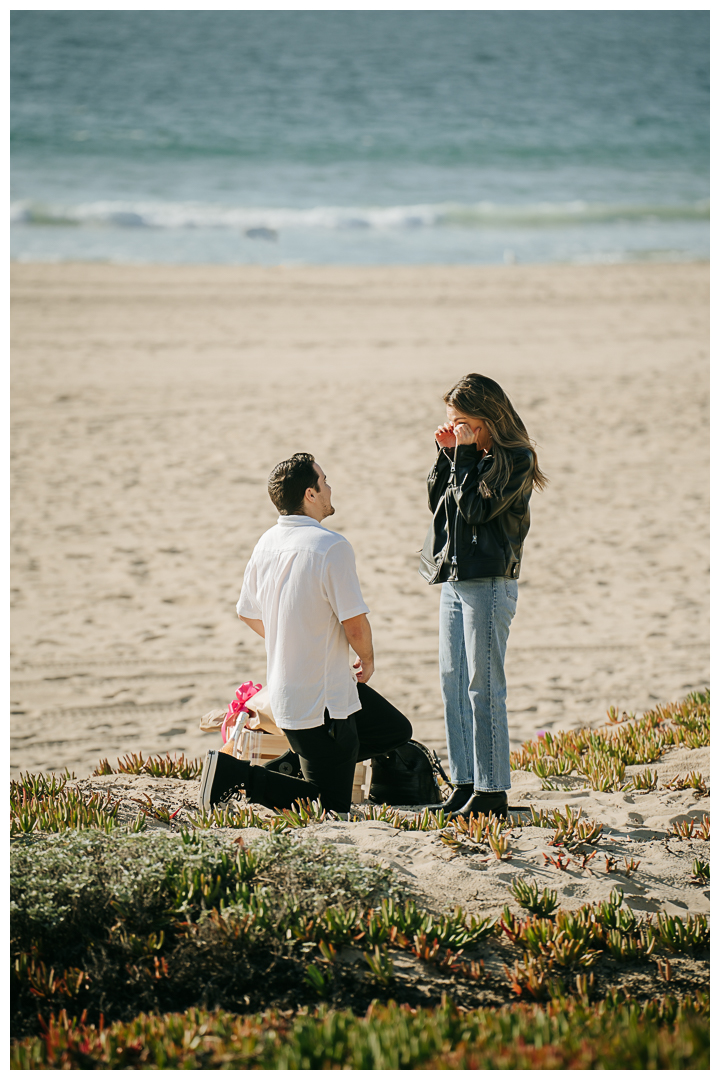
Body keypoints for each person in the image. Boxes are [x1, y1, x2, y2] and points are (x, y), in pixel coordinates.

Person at [200, 452, 412, 815]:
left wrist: (292, 640)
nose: (330, 487)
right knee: (329, 807)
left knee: (393, 728)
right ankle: (232, 775)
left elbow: (245, 612)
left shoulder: (266, 542)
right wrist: (369, 658)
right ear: (310, 495)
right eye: (324, 481)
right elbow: (355, 624)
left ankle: (294, 761)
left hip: (290, 696)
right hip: (323, 707)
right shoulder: (331, 547)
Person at [419, 374, 547, 820]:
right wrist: (447, 457)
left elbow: (474, 509)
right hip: (455, 578)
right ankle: (465, 782)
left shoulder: (516, 458)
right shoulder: (469, 455)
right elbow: (441, 503)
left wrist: (466, 456)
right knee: (452, 682)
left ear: (489, 419)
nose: (456, 431)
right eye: (450, 424)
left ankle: (492, 791)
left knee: (483, 686)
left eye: (463, 424)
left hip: (490, 581)